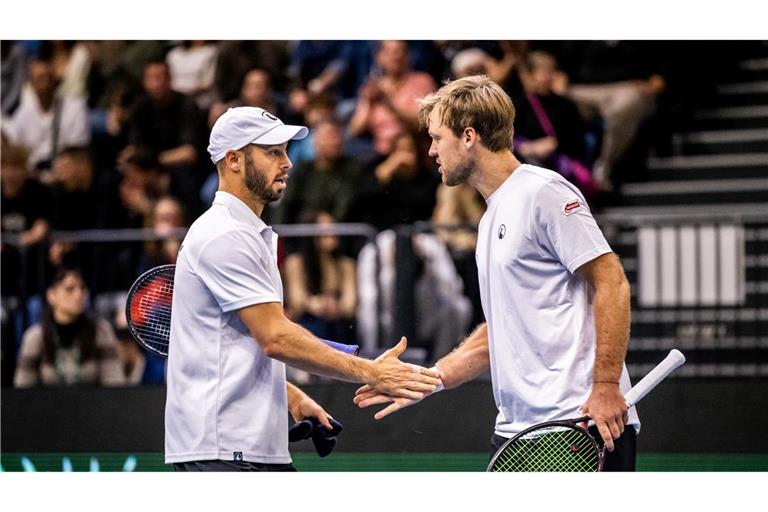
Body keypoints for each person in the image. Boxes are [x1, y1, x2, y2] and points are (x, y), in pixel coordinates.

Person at [354, 75, 639, 471]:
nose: (432, 150)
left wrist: (607, 387)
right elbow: (502, 327)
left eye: (437, 138)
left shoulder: (545, 192)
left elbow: (611, 282)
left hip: (579, 425)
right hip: (518, 430)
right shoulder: (490, 217)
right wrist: (431, 378)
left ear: (469, 136)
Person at [165, 106, 439, 471]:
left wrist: (288, 396)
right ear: (233, 160)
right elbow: (275, 337)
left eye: (285, 151)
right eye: (272, 152)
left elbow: (242, 341)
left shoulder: (246, 233)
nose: (287, 163)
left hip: (248, 448)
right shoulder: (224, 236)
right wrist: (372, 372)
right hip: (223, 450)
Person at [14, 268, 125, 387]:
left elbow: (115, 384)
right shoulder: (35, 336)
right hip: (46, 404)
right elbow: (23, 389)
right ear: (51, 295)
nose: (78, 295)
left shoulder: (101, 331)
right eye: (69, 289)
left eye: (82, 288)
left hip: (93, 404)